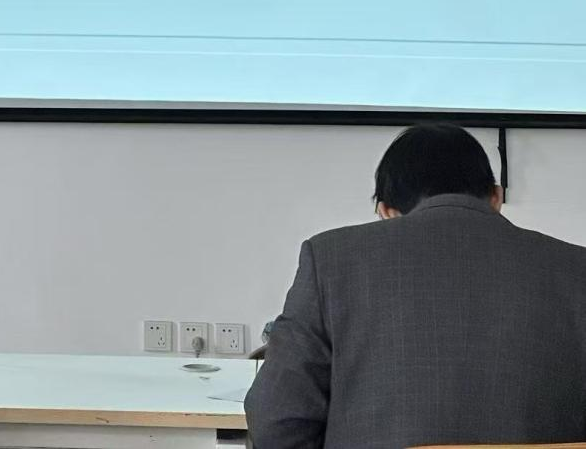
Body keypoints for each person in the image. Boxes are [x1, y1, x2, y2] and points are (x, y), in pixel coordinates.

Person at [246, 122, 586, 449]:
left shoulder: (330, 260)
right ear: (495, 198)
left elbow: (278, 420)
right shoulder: (576, 269)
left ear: (386, 210)